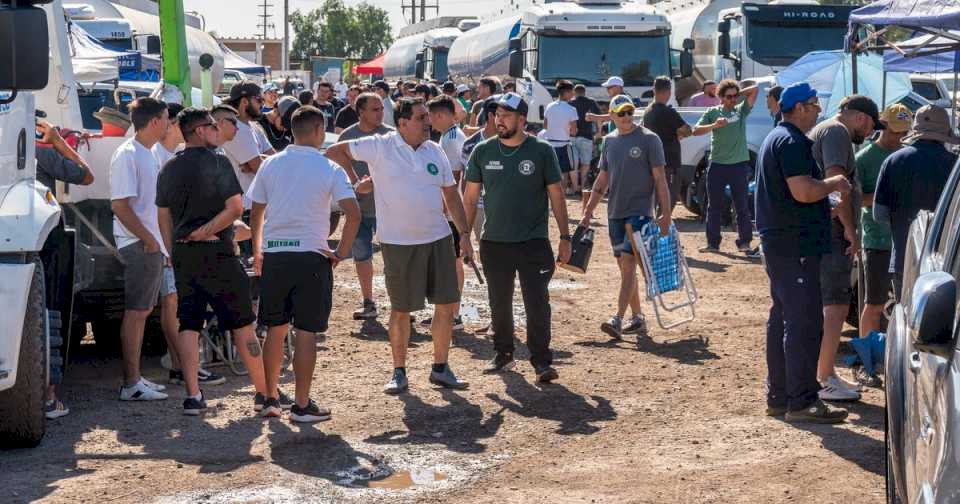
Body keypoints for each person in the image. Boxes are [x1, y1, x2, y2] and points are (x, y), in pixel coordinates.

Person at [325, 98, 474, 394]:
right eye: (421, 118)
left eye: (428, 118)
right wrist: (358, 182)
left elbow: (451, 196)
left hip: (438, 239)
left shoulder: (436, 151)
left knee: (446, 305)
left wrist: (464, 234)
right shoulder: (381, 145)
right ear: (402, 123)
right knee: (401, 309)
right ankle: (399, 371)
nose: (428, 124)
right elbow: (335, 151)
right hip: (399, 243)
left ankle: (440, 368)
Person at [156, 107, 275, 416]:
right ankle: (265, 395)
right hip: (217, 254)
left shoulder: (169, 168)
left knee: (189, 323)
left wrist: (173, 249)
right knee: (243, 325)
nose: (216, 130)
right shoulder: (219, 162)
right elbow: (236, 208)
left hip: (183, 256)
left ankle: (193, 395)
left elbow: (163, 215)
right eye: (212, 126)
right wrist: (205, 231)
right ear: (199, 131)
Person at [248, 106, 360, 422]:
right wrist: (341, 252)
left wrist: (258, 251)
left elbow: (256, 211)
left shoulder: (270, 164)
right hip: (312, 256)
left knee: (275, 329)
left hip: (275, 255)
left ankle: (270, 398)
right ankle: (301, 404)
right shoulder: (330, 168)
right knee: (307, 332)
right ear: (318, 130)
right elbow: (354, 213)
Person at [754, 82, 850, 423]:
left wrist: (823, 200)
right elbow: (803, 191)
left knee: (783, 318)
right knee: (803, 324)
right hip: (794, 247)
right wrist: (834, 185)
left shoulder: (776, 138)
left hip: (784, 244)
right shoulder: (792, 141)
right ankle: (802, 401)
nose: (817, 110)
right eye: (812, 104)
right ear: (796, 107)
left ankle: (781, 397)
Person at [462, 93, 572, 383]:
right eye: (496, 114)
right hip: (494, 242)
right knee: (499, 301)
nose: (499, 119)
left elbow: (557, 195)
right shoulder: (483, 151)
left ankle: (541, 361)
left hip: (533, 242)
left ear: (522, 119)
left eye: (506, 115)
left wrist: (565, 236)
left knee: (536, 302)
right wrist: (463, 235)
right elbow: (470, 198)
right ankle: (504, 353)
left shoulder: (542, 151)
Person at [808, 94, 881, 402]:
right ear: (862, 118)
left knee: (829, 306)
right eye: (869, 129)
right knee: (836, 306)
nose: (867, 137)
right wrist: (851, 231)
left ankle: (824, 375)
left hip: (821, 232)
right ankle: (824, 377)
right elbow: (836, 184)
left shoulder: (824, 129)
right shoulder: (837, 132)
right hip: (832, 233)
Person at [581, 94, 673, 339]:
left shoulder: (649, 139)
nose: (626, 117)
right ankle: (638, 318)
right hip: (615, 213)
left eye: (629, 112)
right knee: (625, 269)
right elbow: (602, 179)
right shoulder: (609, 142)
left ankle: (618, 319)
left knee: (629, 263)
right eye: (621, 113)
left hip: (640, 212)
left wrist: (666, 213)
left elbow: (660, 179)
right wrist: (588, 211)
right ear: (612, 115)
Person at [108, 97, 170, 401]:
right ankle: (131, 383)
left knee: (142, 312)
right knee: (137, 312)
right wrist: (148, 239)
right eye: (168, 118)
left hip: (149, 244)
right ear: (155, 121)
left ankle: (135, 380)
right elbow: (120, 205)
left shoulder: (147, 152)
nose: (170, 124)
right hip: (139, 244)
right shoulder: (128, 154)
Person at [35, 119, 95, 418]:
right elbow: (86, 176)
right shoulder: (41, 154)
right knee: (49, 314)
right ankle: (48, 395)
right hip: (43, 243)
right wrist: (58, 142)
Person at [875, 104, 960, 300]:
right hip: (945, 264)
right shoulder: (954, 165)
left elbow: (879, 215)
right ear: (945, 132)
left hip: (904, 258)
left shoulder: (892, 161)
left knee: (905, 322)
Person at [336, 93, 394, 321]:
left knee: (393, 258)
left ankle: (399, 304)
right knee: (362, 256)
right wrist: (356, 182)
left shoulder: (390, 135)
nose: (380, 113)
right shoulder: (348, 136)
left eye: (381, 108)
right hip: (358, 209)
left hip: (387, 208)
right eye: (375, 109)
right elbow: (338, 165)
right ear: (360, 112)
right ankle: (368, 302)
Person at [858, 104, 912, 338]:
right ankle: (867, 357)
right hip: (877, 240)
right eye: (895, 131)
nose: (899, 136)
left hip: (905, 240)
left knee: (907, 305)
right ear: (883, 126)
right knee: (874, 304)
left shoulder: (908, 155)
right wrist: (883, 197)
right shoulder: (864, 158)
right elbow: (854, 197)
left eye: (904, 132)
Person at [692, 79, 759, 253]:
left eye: (734, 96)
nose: (732, 100)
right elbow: (695, 130)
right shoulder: (713, 112)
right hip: (717, 165)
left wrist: (738, 93)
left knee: (741, 205)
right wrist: (714, 125)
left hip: (738, 165)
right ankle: (712, 244)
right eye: (728, 97)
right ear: (720, 97)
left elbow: (755, 90)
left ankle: (744, 242)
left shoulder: (741, 110)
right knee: (714, 206)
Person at [422, 95, 467, 330]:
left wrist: (444, 208)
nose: (428, 121)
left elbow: (453, 177)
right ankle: (449, 311)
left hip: (451, 212)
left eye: (430, 116)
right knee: (451, 261)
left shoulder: (450, 140)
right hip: (451, 210)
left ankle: (454, 313)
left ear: (439, 115)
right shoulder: (451, 136)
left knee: (453, 262)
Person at [642, 76, 692, 208]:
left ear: (654, 89)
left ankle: (654, 225)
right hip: (669, 162)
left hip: (652, 161)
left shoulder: (647, 111)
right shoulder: (669, 112)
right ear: (669, 92)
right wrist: (679, 133)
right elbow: (687, 131)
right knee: (668, 199)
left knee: (654, 199)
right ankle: (662, 227)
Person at [222, 81, 268, 209]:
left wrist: (257, 159)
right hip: (245, 208)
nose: (263, 104)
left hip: (256, 205)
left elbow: (275, 159)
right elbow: (262, 169)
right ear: (244, 102)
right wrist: (257, 162)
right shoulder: (237, 129)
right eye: (259, 100)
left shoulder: (255, 127)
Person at [543, 80, 580, 195]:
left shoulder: (549, 106)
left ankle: (550, 197)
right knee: (563, 173)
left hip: (549, 144)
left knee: (549, 173)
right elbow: (574, 131)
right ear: (567, 92)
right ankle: (561, 197)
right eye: (572, 92)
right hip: (564, 145)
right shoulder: (571, 110)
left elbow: (545, 126)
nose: (573, 94)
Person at [569, 84, 601, 202]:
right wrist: (598, 133)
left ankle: (574, 187)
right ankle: (583, 186)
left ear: (574, 92)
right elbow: (598, 118)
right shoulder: (591, 102)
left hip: (572, 137)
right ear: (584, 92)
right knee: (586, 163)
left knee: (573, 163)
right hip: (587, 137)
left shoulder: (570, 103)